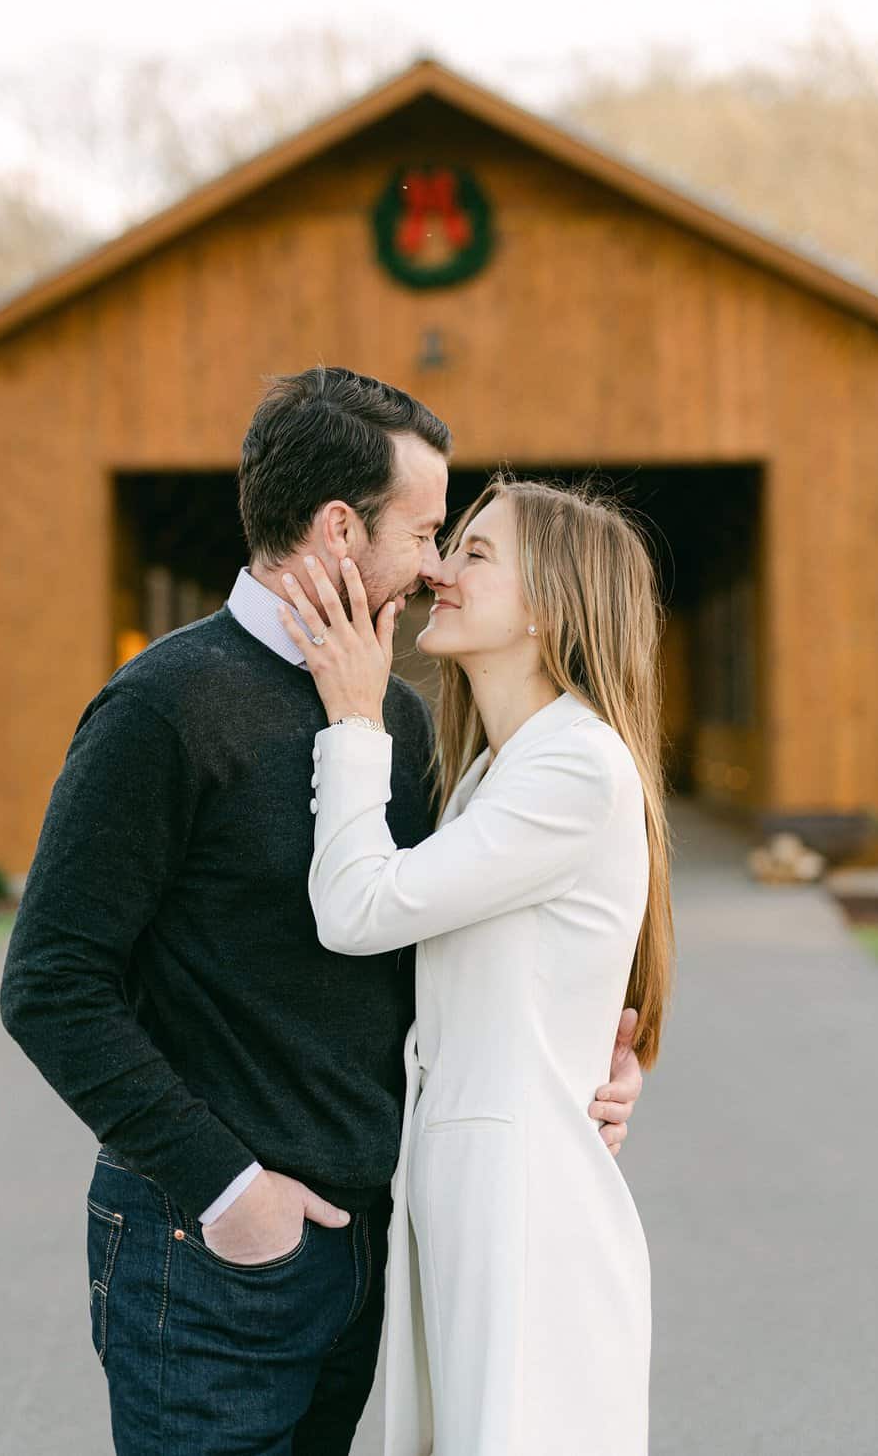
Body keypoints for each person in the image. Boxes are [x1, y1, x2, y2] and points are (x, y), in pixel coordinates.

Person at [0, 367, 645, 1456]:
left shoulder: (397, 720)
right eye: (429, 529)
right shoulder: (164, 706)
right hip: (207, 1244)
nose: (438, 565)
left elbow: (465, 929)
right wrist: (230, 1192)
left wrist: (590, 1059)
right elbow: (49, 984)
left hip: (365, 1247)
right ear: (342, 528)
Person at [279, 469, 672, 1455]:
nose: (441, 571)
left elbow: (358, 908)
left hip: (524, 1217)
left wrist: (354, 720)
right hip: (475, 1196)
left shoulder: (575, 766)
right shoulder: (500, 768)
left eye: (476, 553)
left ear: (552, 605)